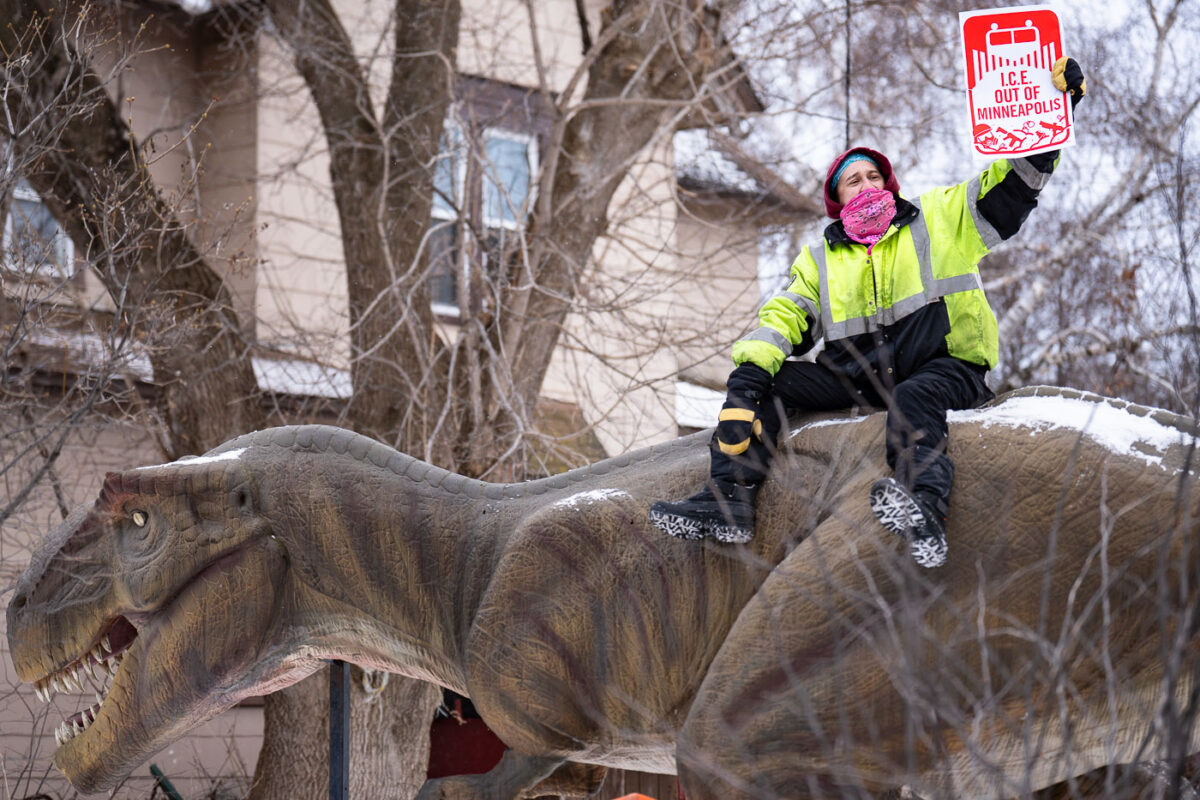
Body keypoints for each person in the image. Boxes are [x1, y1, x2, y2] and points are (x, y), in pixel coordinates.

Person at [650, 58, 1087, 568]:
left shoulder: (940, 218)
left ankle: (923, 504)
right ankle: (729, 504)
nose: (864, 184)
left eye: (873, 175)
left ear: (890, 184)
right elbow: (784, 316)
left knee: (914, 396)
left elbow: (1009, 189)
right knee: (771, 385)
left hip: (943, 368)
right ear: (837, 200)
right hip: (856, 375)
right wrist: (746, 382)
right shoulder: (819, 258)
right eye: (851, 180)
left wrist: (1048, 120)